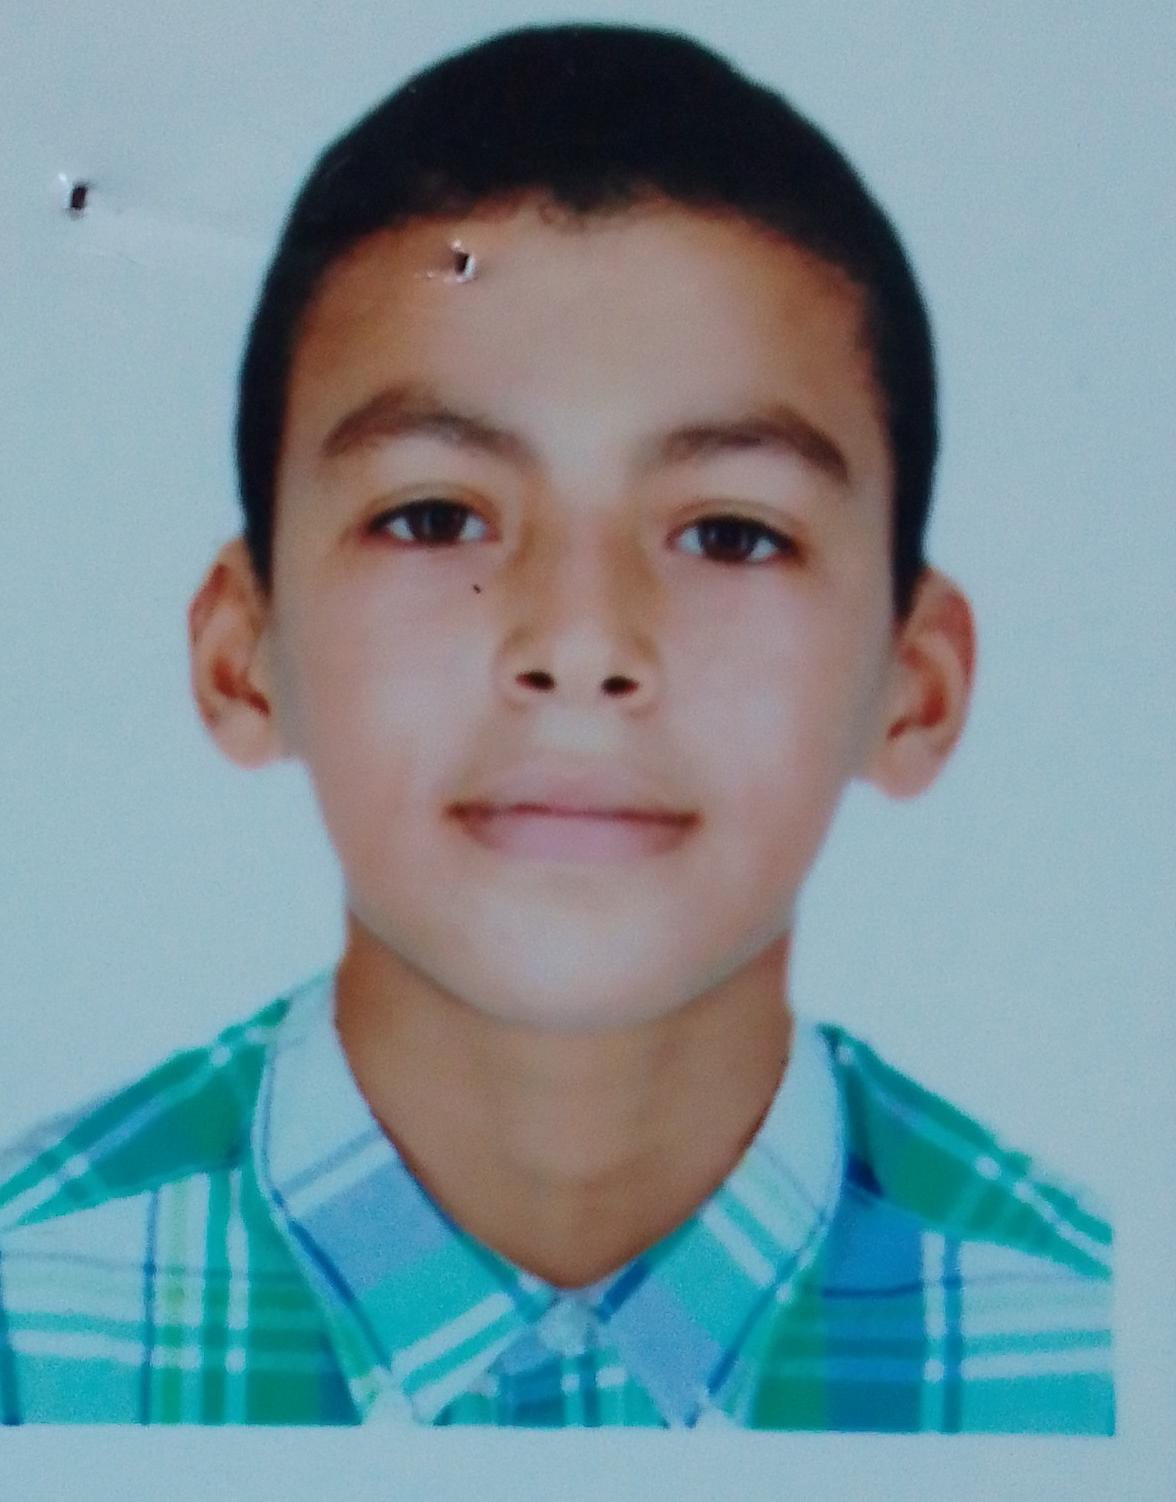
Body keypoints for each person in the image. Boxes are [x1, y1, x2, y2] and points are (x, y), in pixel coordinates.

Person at [0, 23, 1112, 1431]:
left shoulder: (1096, 1341)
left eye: (729, 532)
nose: (581, 645)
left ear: (917, 680)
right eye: (433, 516)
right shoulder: (30, 1317)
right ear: (243, 654)